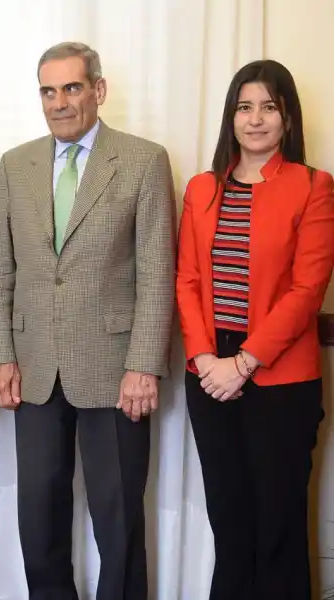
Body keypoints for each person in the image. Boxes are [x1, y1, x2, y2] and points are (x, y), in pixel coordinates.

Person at [0, 41, 176, 600]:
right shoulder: (15, 164)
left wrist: (144, 365)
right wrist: (1, 355)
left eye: (71, 87)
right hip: (35, 367)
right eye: (48, 90)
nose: (59, 102)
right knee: (38, 510)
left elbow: (156, 272)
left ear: (98, 89)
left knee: (117, 514)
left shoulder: (143, 160)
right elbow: (1, 269)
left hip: (115, 370)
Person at [176, 59, 334, 600]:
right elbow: (188, 280)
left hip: (280, 377)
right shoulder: (201, 188)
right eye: (245, 107)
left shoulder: (312, 186)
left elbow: (306, 291)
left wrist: (243, 362)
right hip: (208, 374)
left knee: (279, 525)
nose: (256, 119)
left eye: (270, 106)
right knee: (229, 518)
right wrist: (203, 361)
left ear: (287, 118)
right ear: (231, 117)